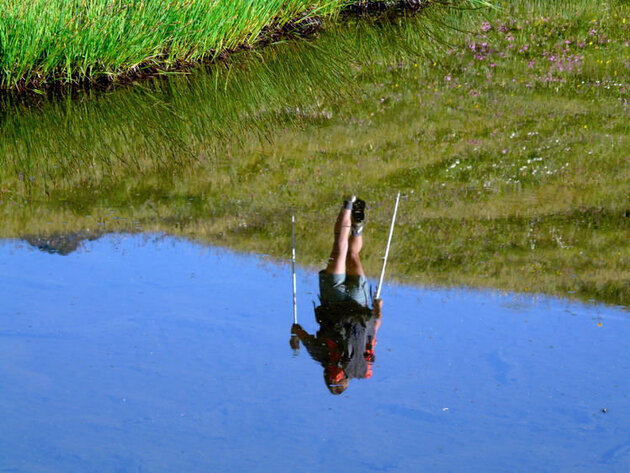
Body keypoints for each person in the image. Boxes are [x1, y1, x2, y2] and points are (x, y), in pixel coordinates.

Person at [291, 195, 383, 395]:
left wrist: (378, 309)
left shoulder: (361, 361)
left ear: (348, 378)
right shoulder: (322, 357)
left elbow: (373, 330)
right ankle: (348, 205)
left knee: (352, 255)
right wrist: (294, 338)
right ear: (326, 375)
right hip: (333, 299)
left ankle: (357, 229)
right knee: (338, 250)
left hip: (359, 302)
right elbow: (298, 330)